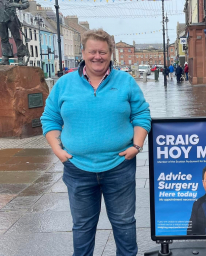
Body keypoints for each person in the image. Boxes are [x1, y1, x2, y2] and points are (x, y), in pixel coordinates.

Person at [41, 28, 151, 256]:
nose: (97, 57)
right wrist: (58, 151)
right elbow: (50, 118)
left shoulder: (125, 81)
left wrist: (136, 146)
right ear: (83, 52)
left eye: (102, 52)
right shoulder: (64, 84)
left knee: (124, 223)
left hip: (119, 166)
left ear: (111, 53)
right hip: (78, 168)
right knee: (82, 226)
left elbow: (141, 114)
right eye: (92, 51)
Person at [0, 0, 29, 65]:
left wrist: (17, 5)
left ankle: (20, 57)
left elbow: (26, 3)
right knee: (4, 39)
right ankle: (5, 57)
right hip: (1, 18)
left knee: (17, 38)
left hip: (12, 18)